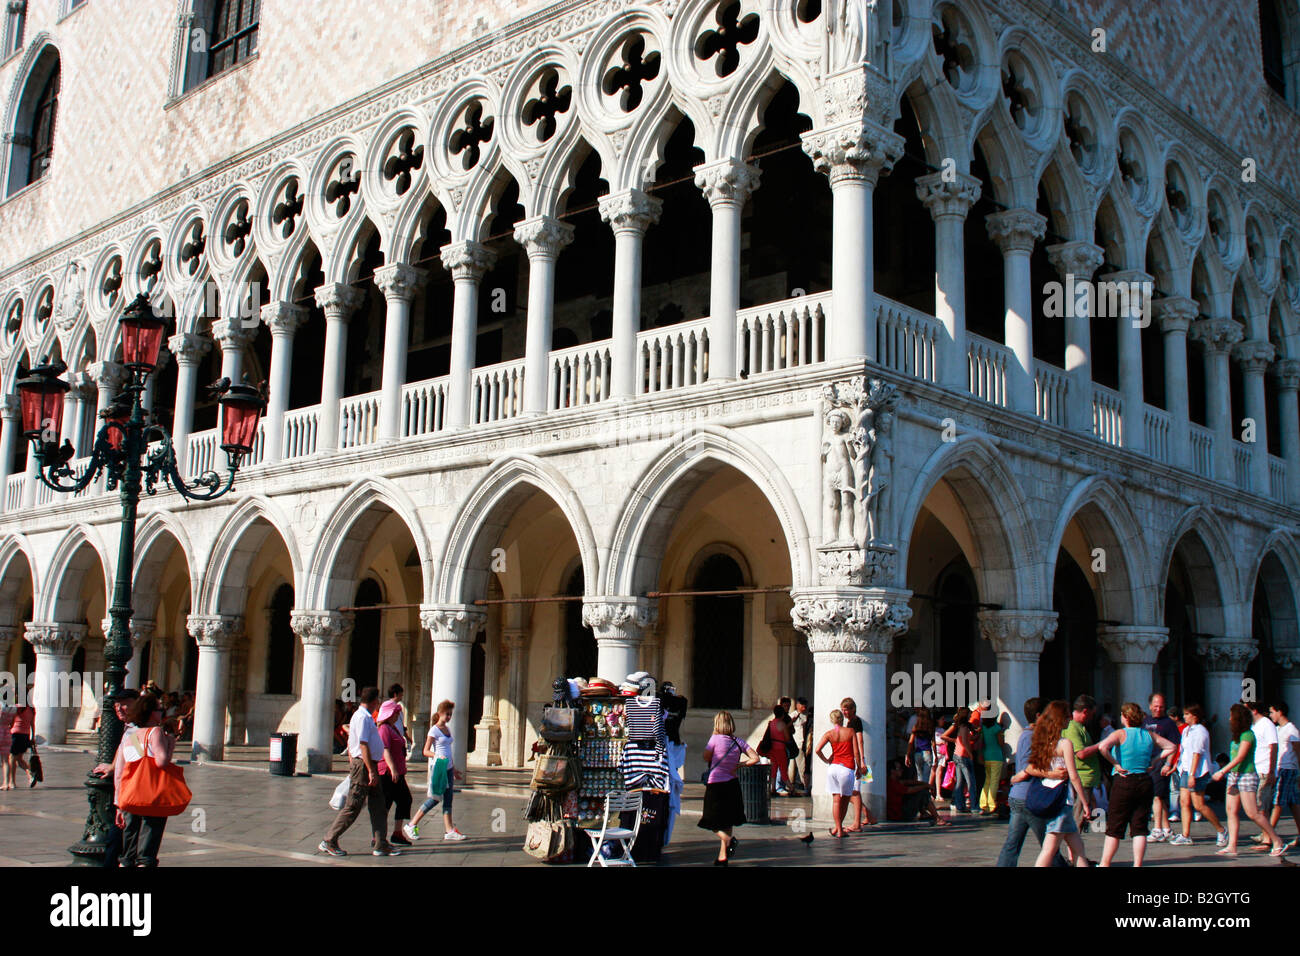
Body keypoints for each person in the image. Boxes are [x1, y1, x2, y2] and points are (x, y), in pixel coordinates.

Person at [318, 686, 399, 857]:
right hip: (364, 766)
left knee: (378, 806)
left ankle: (380, 843)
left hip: (369, 765)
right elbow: (363, 745)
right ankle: (329, 840)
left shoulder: (366, 717)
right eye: (378, 700)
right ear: (374, 701)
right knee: (353, 805)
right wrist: (371, 771)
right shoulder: (362, 717)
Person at [1097, 702, 1177, 867]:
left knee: (1115, 827)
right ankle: (1138, 864)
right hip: (1144, 780)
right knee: (1139, 827)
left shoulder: (1120, 734)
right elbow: (1171, 746)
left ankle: (1105, 863)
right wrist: (1154, 761)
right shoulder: (1148, 735)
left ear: (1125, 717)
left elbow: (1103, 747)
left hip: (1124, 780)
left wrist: (1116, 764)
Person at [1022, 699, 1092, 867]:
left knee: (1078, 848)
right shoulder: (1064, 744)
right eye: (1067, 717)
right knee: (1049, 848)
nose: (1069, 719)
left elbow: (1032, 768)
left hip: (1052, 797)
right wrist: (1084, 802)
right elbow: (1074, 776)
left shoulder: (1042, 742)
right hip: (1061, 800)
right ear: (1060, 720)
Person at [997, 697, 1066, 868]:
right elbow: (1028, 767)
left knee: (1013, 844)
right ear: (1038, 716)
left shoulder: (1028, 735)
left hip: (1020, 795)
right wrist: (1052, 774)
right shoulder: (1031, 736)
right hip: (1029, 797)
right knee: (1049, 844)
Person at [1211, 702, 1285, 857]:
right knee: (1231, 811)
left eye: (1232, 715)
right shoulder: (1237, 736)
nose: (1229, 718)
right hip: (1234, 775)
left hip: (1246, 775)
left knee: (1252, 812)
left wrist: (1222, 771)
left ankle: (1276, 840)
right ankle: (1232, 846)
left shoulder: (1248, 734)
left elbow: (1241, 756)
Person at [112, 693, 178, 867]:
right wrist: (170, 745)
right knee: (148, 844)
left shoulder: (131, 734)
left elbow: (121, 769)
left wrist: (118, 803)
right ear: (150, 713)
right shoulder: (154, 731)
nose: (162, 712)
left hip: (130, 792)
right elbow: (162, 762)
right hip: (151, 794)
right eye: (159, 709)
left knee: (129, 847)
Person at [699, 710, 759, 864]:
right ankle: (722, 856)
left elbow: (706, 756)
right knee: (727, 821)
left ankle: (729, 840)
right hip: (732, 784)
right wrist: (739, 764)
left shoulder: (715, 739)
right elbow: (755, 758)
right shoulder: (738, 742)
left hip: (716, 785)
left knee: (710, 821)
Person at [90, 687, 141, 867]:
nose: (119, 709)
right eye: (117, 705)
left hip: (129, 798)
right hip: (125, 797)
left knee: (120, 847)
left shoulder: (137, 732)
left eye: (125, 705)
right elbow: (123, 750)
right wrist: (112, 767)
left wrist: (121, 803)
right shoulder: (130, 729)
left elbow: (138, 763)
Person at [406, 699, 465, 842]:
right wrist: (437, 755)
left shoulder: (447, 729)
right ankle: (411, 824)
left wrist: (454, 769)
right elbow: (426, 751)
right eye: (447, 714)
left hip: (448, 768)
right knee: (434, 799)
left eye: (450, 714)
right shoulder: (434, 730)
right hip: (439, 768)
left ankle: (449, 830)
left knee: (448, 800)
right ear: (439, 713)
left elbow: (448, 750)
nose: (449, 717)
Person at [1168, 704, 1227, 847]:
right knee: (1184, 802)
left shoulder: (1200, 731)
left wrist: (1192, 775)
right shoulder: (1187, 730)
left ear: (1194, 716)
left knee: (1199, 805)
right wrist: (1177, 766)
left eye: (1187, 714)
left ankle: (1221, 830)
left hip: (1198, 772)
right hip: (1185, 769)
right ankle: (1186, 835)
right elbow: (1184, 751)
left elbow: (1197, 753)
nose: (1184, 717)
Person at [1142, 693, 1180, 843]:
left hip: (1161, 763)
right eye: (1156, 706)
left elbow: (1174, 745)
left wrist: (1169, 764)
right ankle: (1167, 829)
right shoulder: (1144, 722)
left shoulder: (1169, 723)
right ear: (1150, 706)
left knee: (1158, 796)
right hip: (1148, 763)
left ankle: (1157, 829)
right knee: (1159, 797)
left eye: (1162, 706)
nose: (1158, 709)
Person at [1062, 695, 1103, 832]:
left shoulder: (1080, 727)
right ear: (1085, 711)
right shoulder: (1073, 727)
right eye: (1091, 714)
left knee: (1084, 815)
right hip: (1082, 777)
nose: (1092, 717)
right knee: (1077, 817)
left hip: (1088, 778)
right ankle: (1074, 849)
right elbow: (1080, 753)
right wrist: (1101, 745)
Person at [375, 699, 412, 847]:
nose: (397, 716)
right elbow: (385, 750)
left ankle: (397, 833)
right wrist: (393, 768)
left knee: (404, 800)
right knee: (385, 804)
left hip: (397, 773)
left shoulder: (392, 728)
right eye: (396, 713)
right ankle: (378, 836)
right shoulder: (384, 728)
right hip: (388, 773)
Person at [816, 709, 858, 837]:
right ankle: (840, 830)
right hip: (847, 768)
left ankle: (838, 828)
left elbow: (817, 749)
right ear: (842, 719)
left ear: (832, 720)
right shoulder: (850, 732)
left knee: (835, 800)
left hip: (833, 768)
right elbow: (856, 752)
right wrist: (860, 767)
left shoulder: (829, 734)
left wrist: (827, 760)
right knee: (845, 800)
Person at [1245, 699, 1279, 846]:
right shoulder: (1254, 725)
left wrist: (1271, 771)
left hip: (1265, 769)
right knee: (1258, 806)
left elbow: (1273, 747)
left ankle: (1268, 838)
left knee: (1262, 806)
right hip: (1256, 769)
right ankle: (1265, 834)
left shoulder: (1266, 724)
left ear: (1254, 710)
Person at [839, 698, 876, 826]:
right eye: (843, 710)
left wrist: (862, 762)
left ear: (853, 709)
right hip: (853, 759)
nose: (844, 712)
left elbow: (860, 740)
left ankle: (857, 823)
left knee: (854, 792)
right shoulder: (850, 722)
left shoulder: (855, 722)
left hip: (857, 761)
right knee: (851, 792)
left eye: (846, 709)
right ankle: (869, 816)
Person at [1268, 701, 1299, 848]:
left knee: (1278, 801)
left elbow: (1298, 752)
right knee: (1293, 803)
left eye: (1272, 712)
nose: (1270, 715)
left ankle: (1268, 835)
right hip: (1280, 768)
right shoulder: (1278, 729)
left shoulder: (1291, 730)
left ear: (1280, 712)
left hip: (1288, 768)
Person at [886, 757, 949, 826]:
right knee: (922, 793)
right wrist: (925, 786)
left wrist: (924, 784)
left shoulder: (893, 781)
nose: (901, 770)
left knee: (919, 791)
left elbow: (907, 782)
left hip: (899, 811)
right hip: (899, 815)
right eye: (899, 769)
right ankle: (937, 818)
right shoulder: (892, 783)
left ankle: (924, 813)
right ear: (892, 771)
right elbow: (909, 790)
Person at [942, 706, 977, 817]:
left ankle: (959, 805)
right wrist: (970, 754)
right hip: (963, 755)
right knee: (971, 782)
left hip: (957, 755)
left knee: (960, 782)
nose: (971, 716)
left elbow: (964, 739)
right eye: (970, 715)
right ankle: (974, 806)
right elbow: (966, 742)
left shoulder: (961, 727)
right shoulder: (964, 727)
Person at [979, 708, 1005, 815]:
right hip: (996, 756)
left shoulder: (984, 728)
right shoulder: (997, 728)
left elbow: (982, 742)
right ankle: (991, 805)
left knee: (987, 780)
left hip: (987, 755)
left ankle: (983, 804)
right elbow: (1001, 743)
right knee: (994, 781)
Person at [763, 704, 792, 796]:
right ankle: (791, 787)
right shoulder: (782, 724)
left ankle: (772, 788)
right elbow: (787, 738)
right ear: (782, 714)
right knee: (783, 770)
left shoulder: (771, 723)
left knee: (773, 769)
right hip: (781, 748)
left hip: (772, 749)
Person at [905, 707, 935, 790]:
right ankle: (925, 793)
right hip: (927, 752)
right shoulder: (930, 727)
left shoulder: (916, 727)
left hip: (917, 752)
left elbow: (910, 742)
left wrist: (907, 754)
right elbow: (933, 742)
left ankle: (920, 794)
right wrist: (935, 755)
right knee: (926, 776)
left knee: (919, 775)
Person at [10, 698, 35, 788]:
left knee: (12, 759)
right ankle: (30, 773)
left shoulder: (16, 707)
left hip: (15, 735)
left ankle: (12, 782)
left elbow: (11, 723)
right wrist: (32, 737)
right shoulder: (31, 709)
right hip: (25, 735)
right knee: (19, 759)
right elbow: (32, 724)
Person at [788, 697, 812, 794]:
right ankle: (803, 785)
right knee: (797, 766)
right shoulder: (792, 716)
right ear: (798, 705)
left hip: (800, 744)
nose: (804, 707)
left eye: (805, 705)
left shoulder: (805, 717)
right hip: (796, 743)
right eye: (802, 705)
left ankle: (801, 785)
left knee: (800, 765)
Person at [387, 683, 413, 753]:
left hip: (399, 738)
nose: (402, 696)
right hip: (392, 739)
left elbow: (400, 724)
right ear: (395, 694)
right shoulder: (387, 705)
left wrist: (407, 737)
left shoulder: (398, 707)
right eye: (401, 695)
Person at [0, 703, 13, 790]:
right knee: (6, 760)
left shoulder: (1, 707)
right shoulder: (13, 709)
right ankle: (6, 783)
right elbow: (12, 723)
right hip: (7, 733)